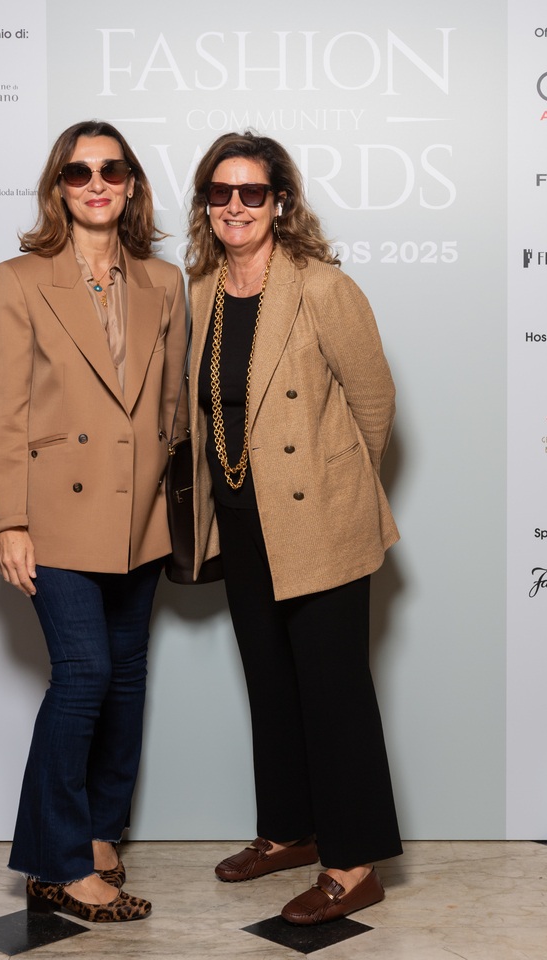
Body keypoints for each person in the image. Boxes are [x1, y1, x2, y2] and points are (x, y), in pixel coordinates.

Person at [0, 120, 187, 923]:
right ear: (57, 188)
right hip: (55, 515)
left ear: (132, 184)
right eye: (78, 172)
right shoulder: (18, 279)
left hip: (140, 514)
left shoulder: (165, 282)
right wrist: (9, 521)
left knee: (125, 680)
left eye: (111, 170)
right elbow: (2, 411)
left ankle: (99, 833)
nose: (96, 184)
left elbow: (173, 406)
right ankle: (57, 862)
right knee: (85, 675)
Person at [185, 131, 402, 925]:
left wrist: (334, 484)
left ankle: (353, 865)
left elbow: (374, 401)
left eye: (252, 192)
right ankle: (288, 832)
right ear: (206, 204)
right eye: (221, 192)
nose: (235, 206)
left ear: (280, 202)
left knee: (333, 689)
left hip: (320, 520)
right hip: (241, 518)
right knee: (271, 682)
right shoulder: (202, 288)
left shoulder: (322, 286)